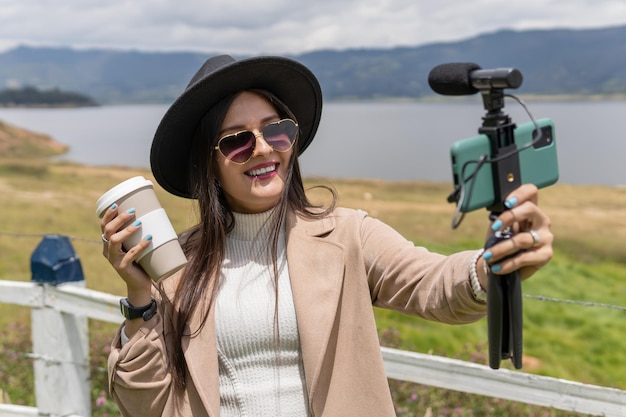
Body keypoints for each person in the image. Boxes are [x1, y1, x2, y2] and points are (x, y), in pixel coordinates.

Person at [99, 55, 553, 417]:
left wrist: (493, 262)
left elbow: (435, 285)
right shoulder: (176, 266)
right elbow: (143, 406)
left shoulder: (347, 235)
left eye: (276, 130)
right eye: (236, 140)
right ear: (209, 164)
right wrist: (139, 296)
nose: (263, 148)